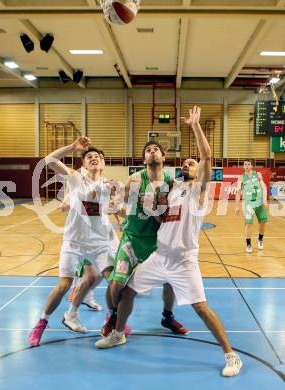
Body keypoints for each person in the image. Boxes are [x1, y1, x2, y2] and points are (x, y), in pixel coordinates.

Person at [95, 106, 242, 378]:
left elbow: (207, 156)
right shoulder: (172, 191)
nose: (187, 165)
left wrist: (195, 126)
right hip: (159, 256)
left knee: (200, 306)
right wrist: (120, 208)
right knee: (126, 291)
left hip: (184, 260)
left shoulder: (199, 191)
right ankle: (118, 333)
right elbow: (154, 214)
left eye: (192, 163)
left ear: (199, 171)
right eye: (184, 163)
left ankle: (231, 356)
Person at [98, 139, 189, 343]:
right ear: (144, 158)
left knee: (169, 281)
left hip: (158, 241)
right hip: (133, 238)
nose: (152, 152)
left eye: (156, 149)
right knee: (116, 283)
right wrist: (115, 205)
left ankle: (167, 316)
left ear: (164, 157)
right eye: (148, 150)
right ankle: (113, 315)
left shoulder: (172, 182)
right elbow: (117, 203)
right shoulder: (135, 179)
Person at [28, 138, 115, 345]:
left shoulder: (109, 186)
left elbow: (111, 210)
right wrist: (72, 148)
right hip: (74, 241)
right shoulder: (76, 178)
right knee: (64, 285)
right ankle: (41, 323)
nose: (94, 158)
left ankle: (112, 319)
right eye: (89, 157)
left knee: (115, 281)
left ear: (103, 163)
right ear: (84, 164)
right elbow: (48, 160)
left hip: (99, 243)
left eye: (98, 157)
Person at [235, 159, 268, 253]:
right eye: (245, 164)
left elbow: (263, 187)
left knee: (263, 222)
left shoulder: (258, 175)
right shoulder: (241, 178)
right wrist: (237, 206)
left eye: (248, 164)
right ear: (243, 166)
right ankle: (248, 244)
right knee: (249, 223)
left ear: (252, 166)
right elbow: (238, 192)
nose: (246, 166)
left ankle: (260, 239)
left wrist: (265, 200)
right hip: (248, 204)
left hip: (260, 202)